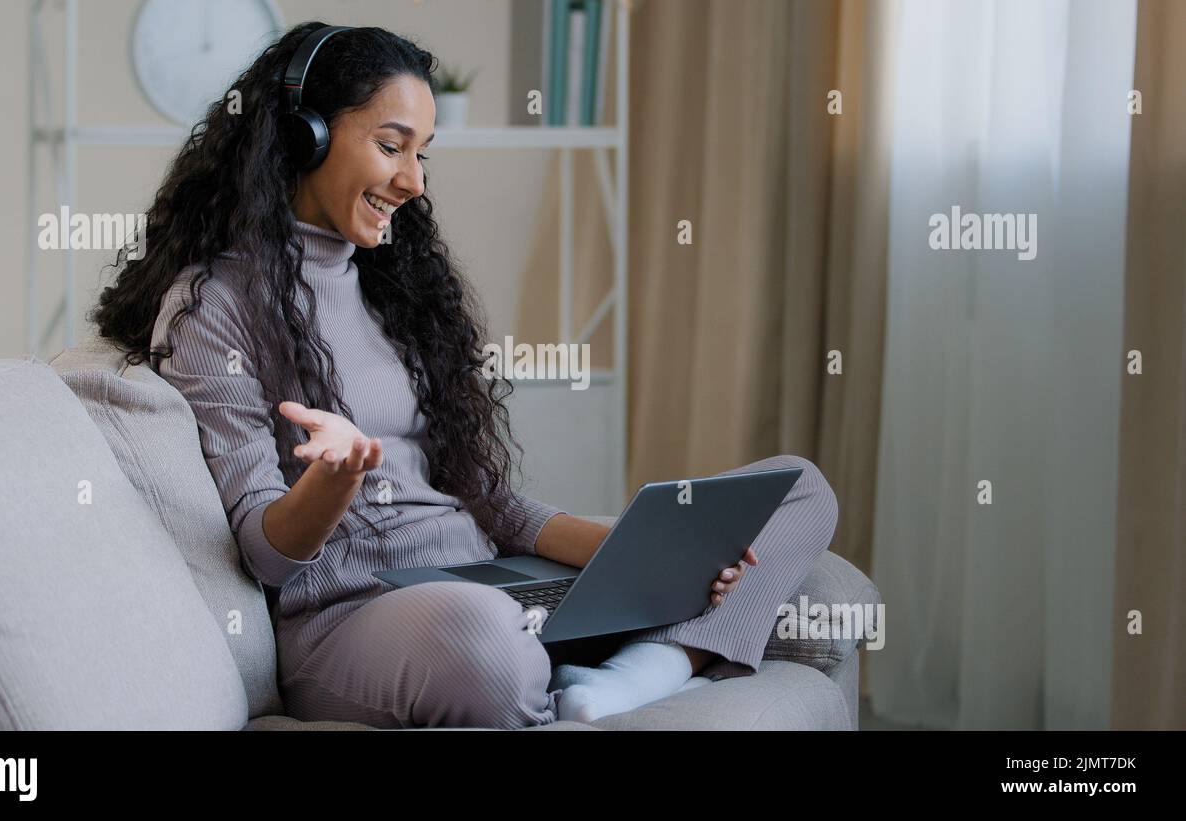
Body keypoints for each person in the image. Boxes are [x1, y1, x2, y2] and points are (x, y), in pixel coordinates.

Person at [90, 22, 838, 729]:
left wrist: (637, 545)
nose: (413, 181)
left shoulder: (394, 287)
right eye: (392, 146)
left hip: (490, 581)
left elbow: (490, 503)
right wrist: (336, 479)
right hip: (356, 617)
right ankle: (629, 668)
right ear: (303, 134)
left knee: (798, 487)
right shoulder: (214, 307)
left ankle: (637, 676)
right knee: (486, 634)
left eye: (423, 154)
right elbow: (265, 549)